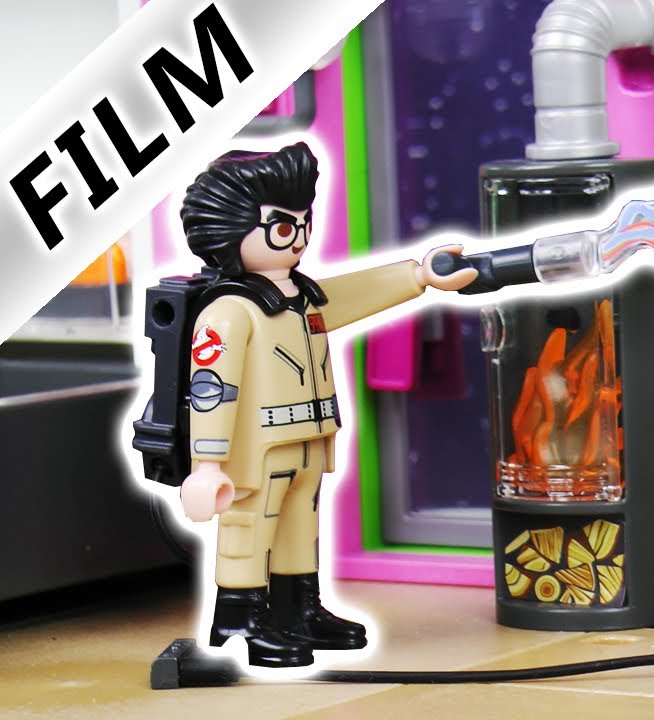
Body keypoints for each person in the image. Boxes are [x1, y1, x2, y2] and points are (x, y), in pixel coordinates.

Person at [177, 142, 476, 666]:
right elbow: (211, 389)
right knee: (250, 525)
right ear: (230, 231)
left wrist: (420, 276)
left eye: (303, 223)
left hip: (311, 439)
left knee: (300, 526)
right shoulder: (230, 312)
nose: (297, 238)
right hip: (258, 447)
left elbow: (356, 293)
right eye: (282, 227)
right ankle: (241, 621)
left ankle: (299, 610)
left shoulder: (303, 298)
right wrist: (207, 464)